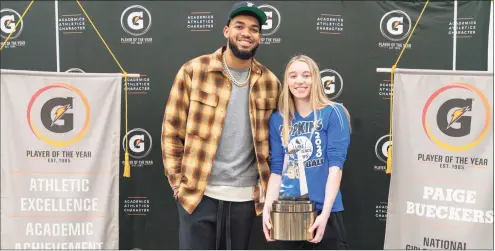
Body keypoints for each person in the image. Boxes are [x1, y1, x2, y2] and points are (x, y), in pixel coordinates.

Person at [161, 2, 281, 250]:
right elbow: (171, 131)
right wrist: (177, 183)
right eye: (240, 26)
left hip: (247, 199)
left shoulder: (270, 82)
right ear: (226, 31)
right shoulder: (194, 70)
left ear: (259, 37)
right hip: (198, 195)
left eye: (254, 29)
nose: (247, 33)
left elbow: (277, 141)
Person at [261, 55, 351, 250]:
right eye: (293, 76)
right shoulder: (278, 119)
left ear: (315, 79)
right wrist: (267, 209)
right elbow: (277, 170)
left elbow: (336, 168)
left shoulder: (333, 113)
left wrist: (324, 215)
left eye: (306, 75)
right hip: (288, 212)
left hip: (325, 211)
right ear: (287, 82)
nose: (299, 81)